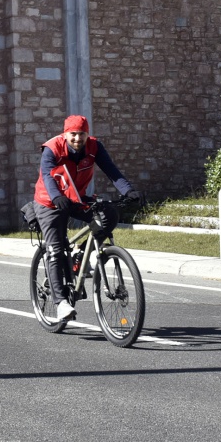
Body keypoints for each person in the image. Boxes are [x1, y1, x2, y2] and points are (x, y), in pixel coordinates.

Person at [32, 115, 137, 323]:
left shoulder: (94, 147)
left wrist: (129, 191)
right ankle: (61, 303)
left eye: (81, 134)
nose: (77, 139)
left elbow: (112, 171)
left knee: (108, 214)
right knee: (55, 249)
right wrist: (56, 197)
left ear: (87, 134)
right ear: (65, 134)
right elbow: (47, 175)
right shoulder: (52, 148)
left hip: (76, 197)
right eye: (73, 134)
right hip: (49, 201)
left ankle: (80, 254)